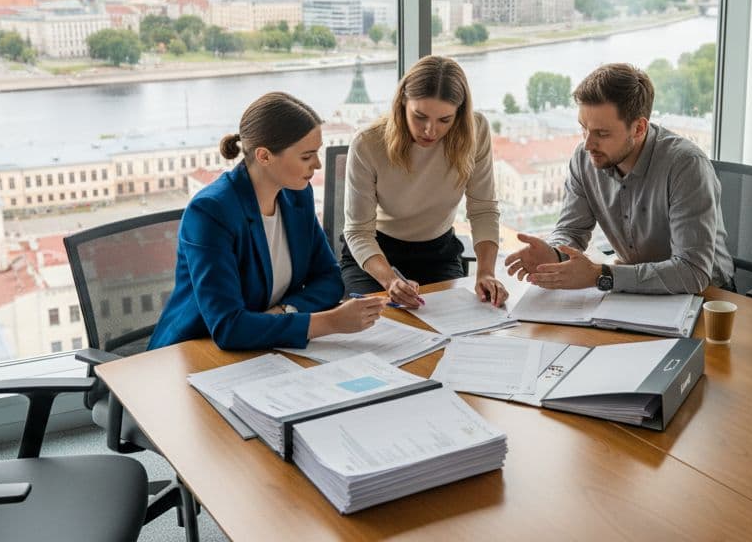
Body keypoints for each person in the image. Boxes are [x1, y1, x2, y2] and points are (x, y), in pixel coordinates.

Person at [150, 92, 385, 351]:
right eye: (306, 156)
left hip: (266, 347)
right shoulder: (211, 212)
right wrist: (330, 322)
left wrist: (285, 311)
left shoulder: (297, 196)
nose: (317, 165)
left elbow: (329, 279)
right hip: (194, 353)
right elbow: (229, 328)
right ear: (264, 156)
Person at [504, 63, 733, 294]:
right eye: (584, 128)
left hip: (708, 297)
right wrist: (554, 253)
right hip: (632, 287)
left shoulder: (686, 166)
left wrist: (600, 276)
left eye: (602, 133)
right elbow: (572, 231)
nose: (587, 144)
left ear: (639, 128)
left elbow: (691, 272)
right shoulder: (585, 159)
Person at [340, 55, 508, 308]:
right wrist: (390, 281)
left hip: (438, 254)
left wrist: (486, 272)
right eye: (419, 116)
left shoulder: (477, 131)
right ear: (402, 104)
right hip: (375, 256)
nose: (430, 130)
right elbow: (358, 232)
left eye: (444, 120)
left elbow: (483, 210)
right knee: (381, 327)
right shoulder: (367, 143)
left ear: (459, 115)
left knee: (455, 328)